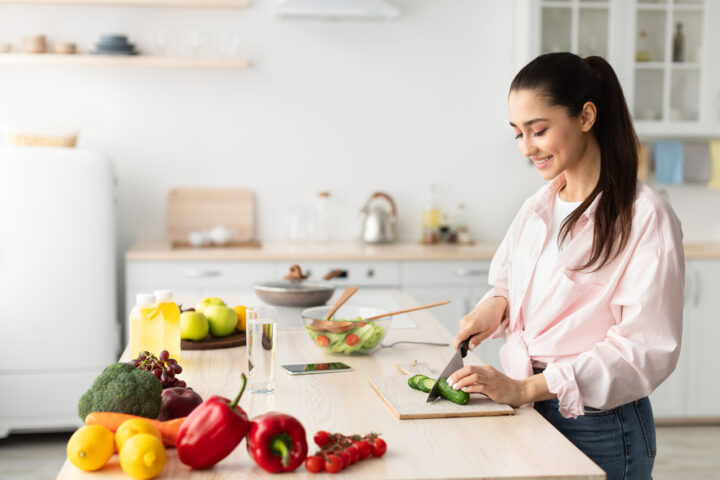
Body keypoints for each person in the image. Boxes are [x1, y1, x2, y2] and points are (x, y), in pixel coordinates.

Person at [449, 52, 684, 480]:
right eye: (518, 134)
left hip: (601, 425)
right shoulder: (538, 206)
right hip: (532, 405)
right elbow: (509, 282)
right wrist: (495, 305)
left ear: (586, 116)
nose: (526, 148)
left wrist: (525, 388)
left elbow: (644, 349)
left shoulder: (645, 215)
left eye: (538, 131)